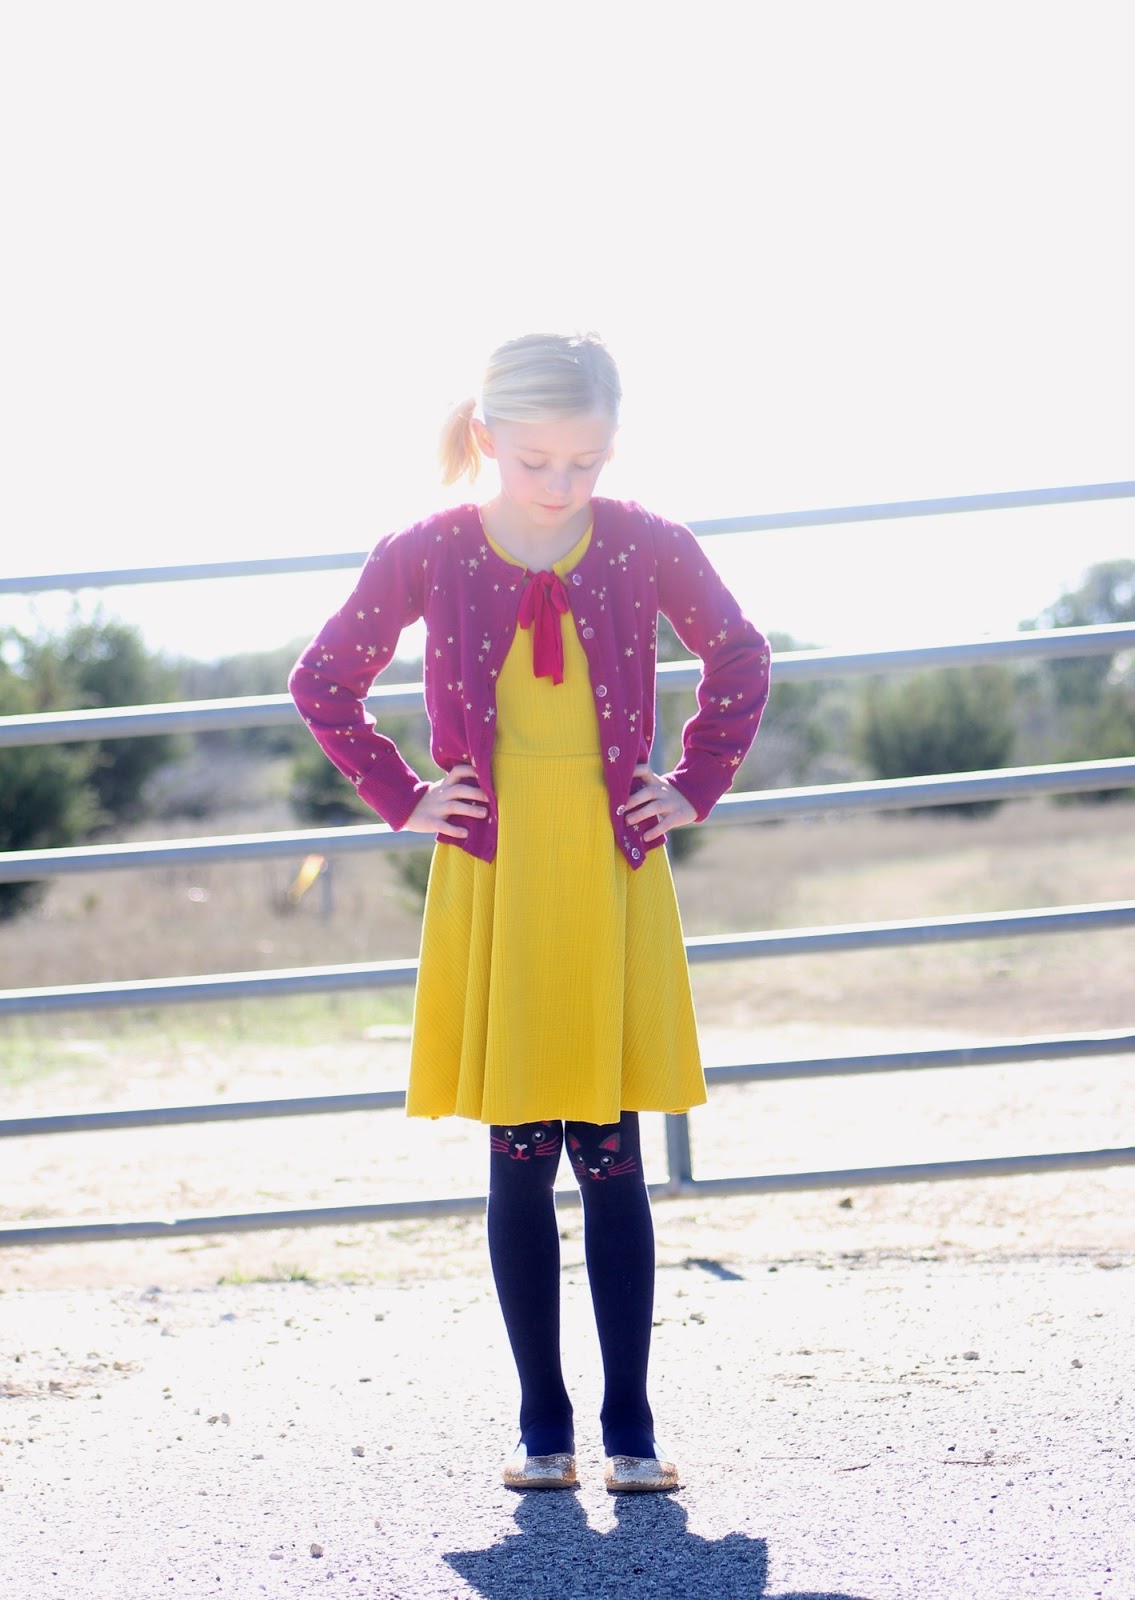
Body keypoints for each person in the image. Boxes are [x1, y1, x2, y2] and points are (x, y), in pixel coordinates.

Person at [289, 332, 771, 1493]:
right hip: (495, 869)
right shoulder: (428, 550)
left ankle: (632, 1427)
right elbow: (324, 679)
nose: (561, 484)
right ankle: (540, 1426)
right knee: (518, 1152)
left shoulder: (645, 542)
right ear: (486, 436)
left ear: (613, 448)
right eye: (537, 460)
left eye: (585, 462)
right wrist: (403, 793)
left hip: (607, 864)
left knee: (610, 1146)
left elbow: (739, 654)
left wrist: (693, 780)